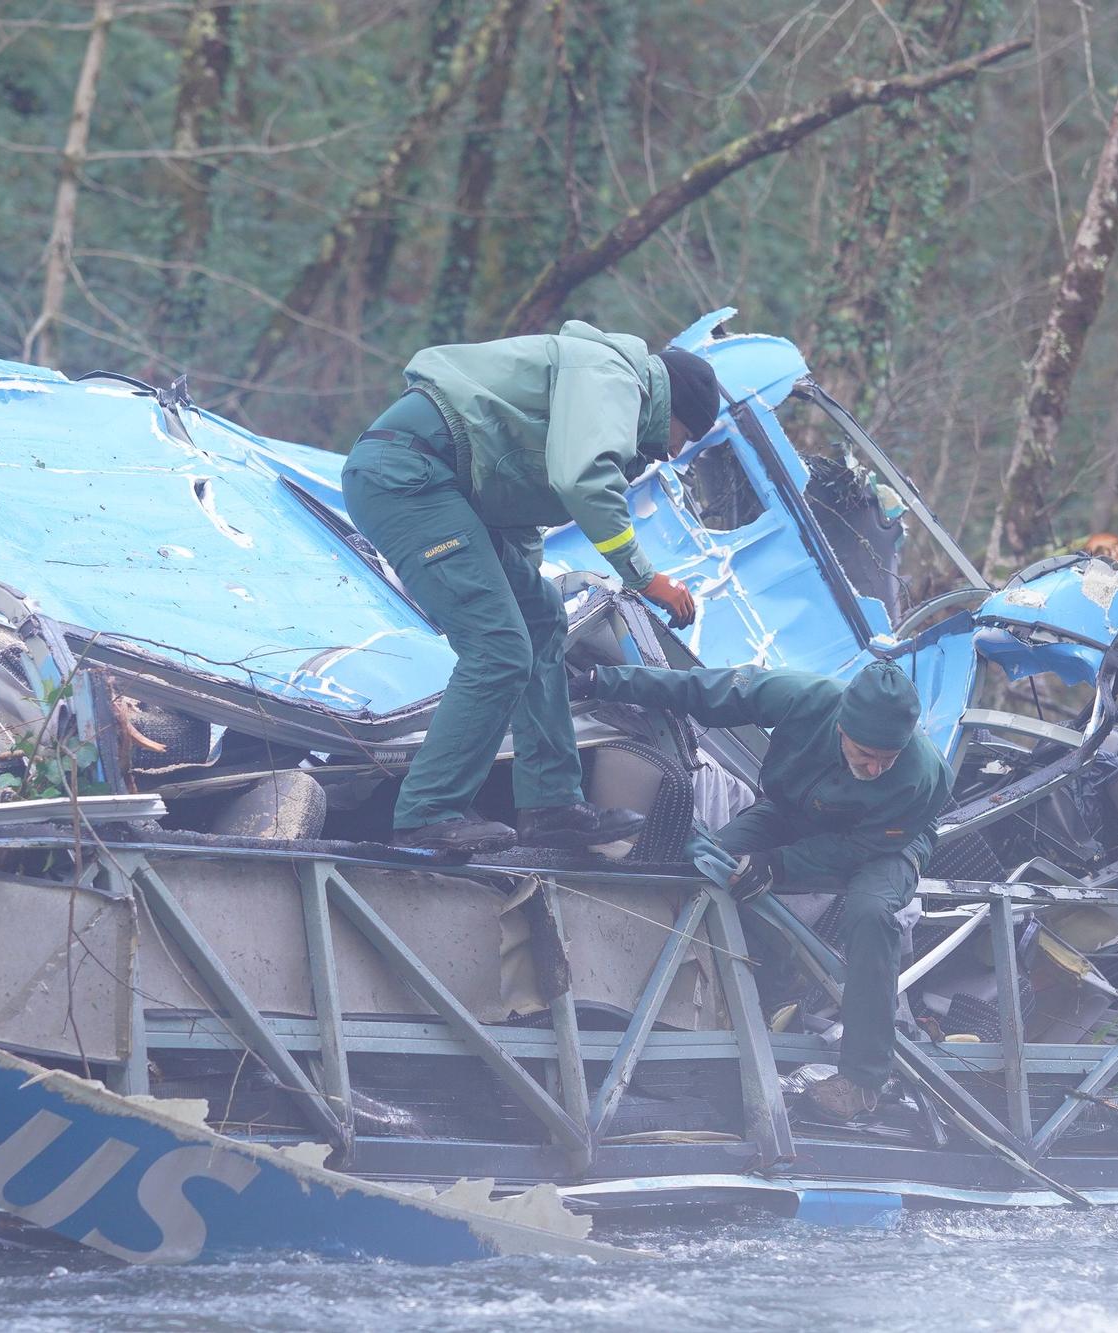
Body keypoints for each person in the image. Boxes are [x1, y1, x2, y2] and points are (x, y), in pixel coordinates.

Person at [342, 322, 723, 854]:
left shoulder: (599, 386)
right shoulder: (615, 377)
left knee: (542, 620)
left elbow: (516, 503)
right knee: (498, 649)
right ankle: (427, 813)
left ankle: (550, 804)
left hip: (452, 490)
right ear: (672, 410)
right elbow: (582, 479)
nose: (671, 452)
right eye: (685, 437)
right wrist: (646, 577)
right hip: (409, 476)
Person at [582, 658, 951, 1118]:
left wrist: (777, 864)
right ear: (841, 726)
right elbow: (703, 688)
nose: (875, 769)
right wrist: (602, 678)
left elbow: (856, 849)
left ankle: (862, 1079)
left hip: (884, 842)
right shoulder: (801, 696)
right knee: (707, 869)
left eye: (887, 759)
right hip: (793, 811)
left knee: (871, 913)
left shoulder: (923, 776)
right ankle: (696, 1012)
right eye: (865, 753)